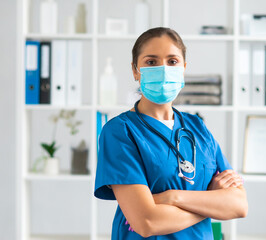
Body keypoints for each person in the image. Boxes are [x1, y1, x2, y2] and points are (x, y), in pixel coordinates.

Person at [94, 27, 248, 239]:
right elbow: (147, 221)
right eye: (151, 62)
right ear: (135, 70)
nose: (163, 69)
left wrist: (171, 197)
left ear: (183, 68)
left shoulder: (197, 127)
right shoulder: (119, 132)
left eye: (172, 61)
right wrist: (210, 202)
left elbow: (239, 205)